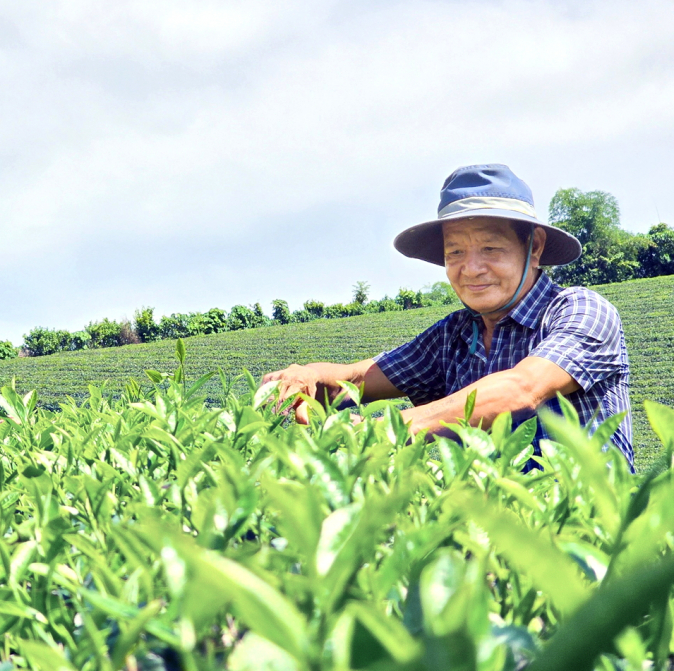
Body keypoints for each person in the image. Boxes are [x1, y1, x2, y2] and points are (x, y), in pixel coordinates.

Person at [262, 164, 633, 470]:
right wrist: (305, 377)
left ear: (533, 247)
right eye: (455, 252)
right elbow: (355, 378)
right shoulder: (452, 336)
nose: (471, 269)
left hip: (592, 542)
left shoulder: (581, 311)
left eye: (490, 248)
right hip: (489, 542)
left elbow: (519, 390)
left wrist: (382, 432)